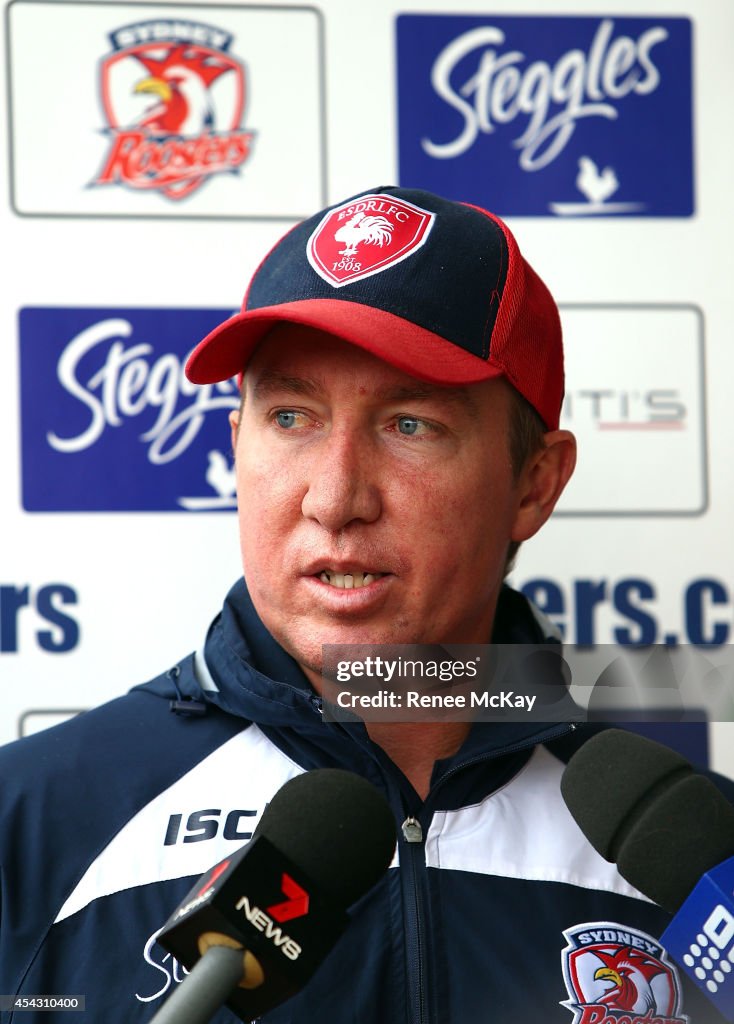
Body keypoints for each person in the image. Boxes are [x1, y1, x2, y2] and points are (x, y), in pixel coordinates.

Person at [0, 185, 729, 1024]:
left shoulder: (697, 861)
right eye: (290, 415)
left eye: (410, 424)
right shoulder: (31, 834)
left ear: (535, 484)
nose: (335, 498)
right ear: (236, 443)